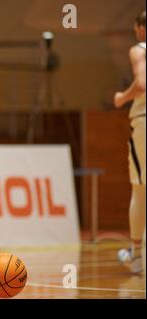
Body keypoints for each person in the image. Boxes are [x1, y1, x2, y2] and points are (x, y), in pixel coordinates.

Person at [114, 11, 146, 274]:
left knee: (140, 188)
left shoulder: (139, 49)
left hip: (144, 123)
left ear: (140, 29)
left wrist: (122, 98)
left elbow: (142, 83)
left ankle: (136, 256)